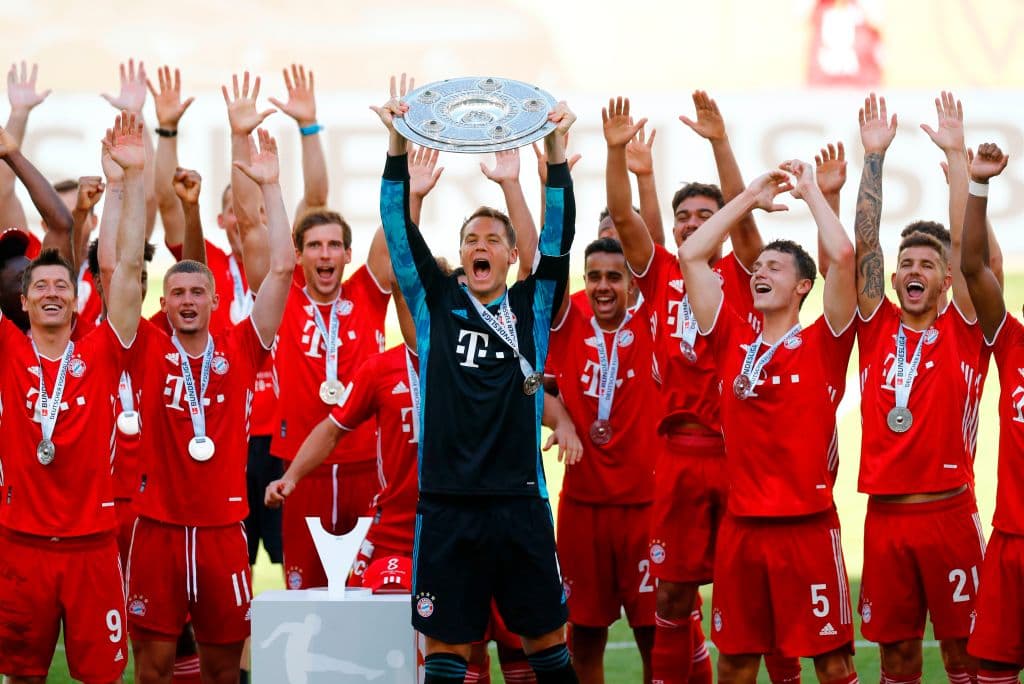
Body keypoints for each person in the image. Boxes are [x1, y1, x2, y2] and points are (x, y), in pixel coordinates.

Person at [376, 72, 578, 683]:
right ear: (461, 254)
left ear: (512, 255)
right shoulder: (436, 302)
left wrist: (556, 155)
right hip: (446, 504)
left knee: (546, 643)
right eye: (471, 238)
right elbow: (396, 231)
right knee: (446, 649)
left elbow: (558, 241)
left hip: (520, 502)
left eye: (493, 238)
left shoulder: (533, 306)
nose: (481, 244)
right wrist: (392, 150)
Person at [604, 94, 798, 684]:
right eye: (683, 215)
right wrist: (617, 156)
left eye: (702, 213)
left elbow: (744, 224)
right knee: (670, 597)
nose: (691, 223)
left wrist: (720, 143)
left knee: (758, 594)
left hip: (737, 455)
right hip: (678, 458)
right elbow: (623, 214)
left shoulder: (745, 275)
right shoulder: (661, 271)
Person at [679, 158, 858, 683]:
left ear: (803, 287)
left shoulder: (824, 343)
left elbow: (844, 256)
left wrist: (811, 194)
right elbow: (691, 253)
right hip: (741, 531)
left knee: (832, 664)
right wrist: (747, 199)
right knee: (734, 663)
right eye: (756, 268)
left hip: (807, 528)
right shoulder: (732, 339)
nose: (759, 273)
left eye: (774, 268)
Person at [126, 128, 294, 684]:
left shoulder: (243, 345)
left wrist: (270, 188)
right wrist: (128, 181)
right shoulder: (145, 346)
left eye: (198, 293)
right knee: (152, 668)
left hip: (225, 531)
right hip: (158, 530)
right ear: (163, 303)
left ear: (217, 301)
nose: (188, 301)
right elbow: (120, 273)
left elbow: (283, 269)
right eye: (177, 293)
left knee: (223, 670)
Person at [0, 111, 146, 683]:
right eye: (40, 286)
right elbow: (57, 227)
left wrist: (127, 185)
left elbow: (126, 267)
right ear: (25, 302)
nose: (53, 291)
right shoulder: (9, 349)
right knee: (24, 676)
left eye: (62, 284)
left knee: (100, 677)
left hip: (91, 548)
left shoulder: (103, 349)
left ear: (77, 298)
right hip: (22, 546)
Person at [852, 92, 988, 684]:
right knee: (897, 659)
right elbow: (865, 247)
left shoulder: (964, 330)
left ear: (945, 279)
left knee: (966, 658)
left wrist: (958, 158)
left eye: (926, 264)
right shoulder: (876, 326)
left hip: (950, 517)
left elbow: (968, 251)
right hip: (884, 522)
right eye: (906, 262)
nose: (912, 271)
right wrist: (874, 158)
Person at [545, 236, 659, 683]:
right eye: (594, 277)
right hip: (582, 507)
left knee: (654, 636)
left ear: (633, 283)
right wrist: (562, 421)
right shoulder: (567, 321)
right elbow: (530, 388)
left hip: (645, 508)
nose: (603, 286)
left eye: (614, 277)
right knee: (584, 637)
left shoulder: (652, 323)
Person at [958, 142, 1024, 684]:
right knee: (993, 672)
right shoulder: (1013, 343)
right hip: (1010, 542)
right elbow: (973, 265)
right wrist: (978, 185)